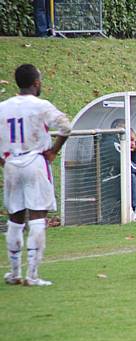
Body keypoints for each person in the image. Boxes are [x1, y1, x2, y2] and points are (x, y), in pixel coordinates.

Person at [0, 64, 71, 286]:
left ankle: (14, 272)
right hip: (35, 161)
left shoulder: (4, 107)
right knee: (38, 217)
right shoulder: (41, 106)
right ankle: (32, 273)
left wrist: (2, 160)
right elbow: (66, 127)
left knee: (15, 217)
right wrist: (54, 151)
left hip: (11, 162)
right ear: (37, 83)